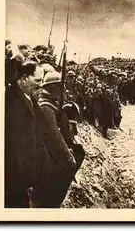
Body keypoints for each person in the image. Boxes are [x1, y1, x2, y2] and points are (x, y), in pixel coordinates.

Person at [36, 71, 78, 207]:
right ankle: (50, 201)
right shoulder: (45, 107)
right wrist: (68, 155)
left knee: (78, 151)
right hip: (44, 151)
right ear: (52, 87)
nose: (63, 89)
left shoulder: (51, 102)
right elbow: (54, 137)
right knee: (66, 164)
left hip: (47, 147)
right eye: (60, 86)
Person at [5, 61, 43, 208]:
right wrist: (28, 177)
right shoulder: (13, 102)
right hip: (14, 176)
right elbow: (17, 146)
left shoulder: (27, 97)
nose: (40, 85)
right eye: (37, 80)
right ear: (25, 78)